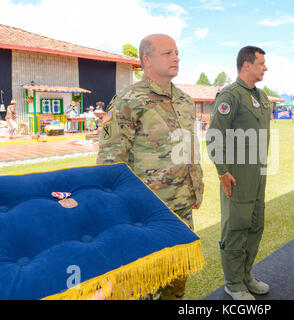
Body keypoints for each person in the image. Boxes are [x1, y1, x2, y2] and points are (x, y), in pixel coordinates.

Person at [97, 34, 204, 299]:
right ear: (146, 59)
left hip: (182, 206)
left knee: (179, 275)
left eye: (177, 52)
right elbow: (110, 162)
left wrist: (196, 187)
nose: (176, 57)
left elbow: (190, 149)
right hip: (146, 212)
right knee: (147, 284)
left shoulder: (185, 100)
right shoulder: (128, 100)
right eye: (168, 53)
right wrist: (118, 210)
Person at [206, 46, 271, 300]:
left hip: (258, 174)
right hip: (237, 174)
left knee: (255, 225)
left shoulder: (262, 95)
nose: (265, 67)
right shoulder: (230, 96)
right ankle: (233, 284)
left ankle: (245, 276)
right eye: (261, 63)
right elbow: (214, 137)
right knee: (236, 227)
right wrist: (222, 171)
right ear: (247, 65)